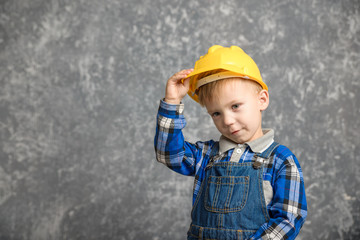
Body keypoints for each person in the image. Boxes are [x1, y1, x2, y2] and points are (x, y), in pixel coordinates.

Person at [154, 45, 307, 240]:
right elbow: (168, 154)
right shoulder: (206, 155)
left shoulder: (281, 160)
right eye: (216, 113)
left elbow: (289, 219)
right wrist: (172, 102)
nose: (226, 121)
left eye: (235, 106)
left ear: (262, 100)